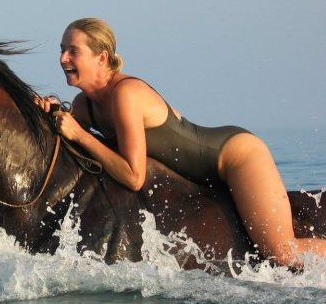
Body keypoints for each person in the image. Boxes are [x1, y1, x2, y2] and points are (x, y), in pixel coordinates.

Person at [35, 17, 326, 268]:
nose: (63, 59)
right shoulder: (85, 105)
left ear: (101, 57)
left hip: (236, 158)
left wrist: (80, 134)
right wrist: (49, 114)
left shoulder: (126, 95)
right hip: (202, 177)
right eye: (62, 50)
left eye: (73, 51)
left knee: (282, 254)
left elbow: (134, 176)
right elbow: (68, 137)